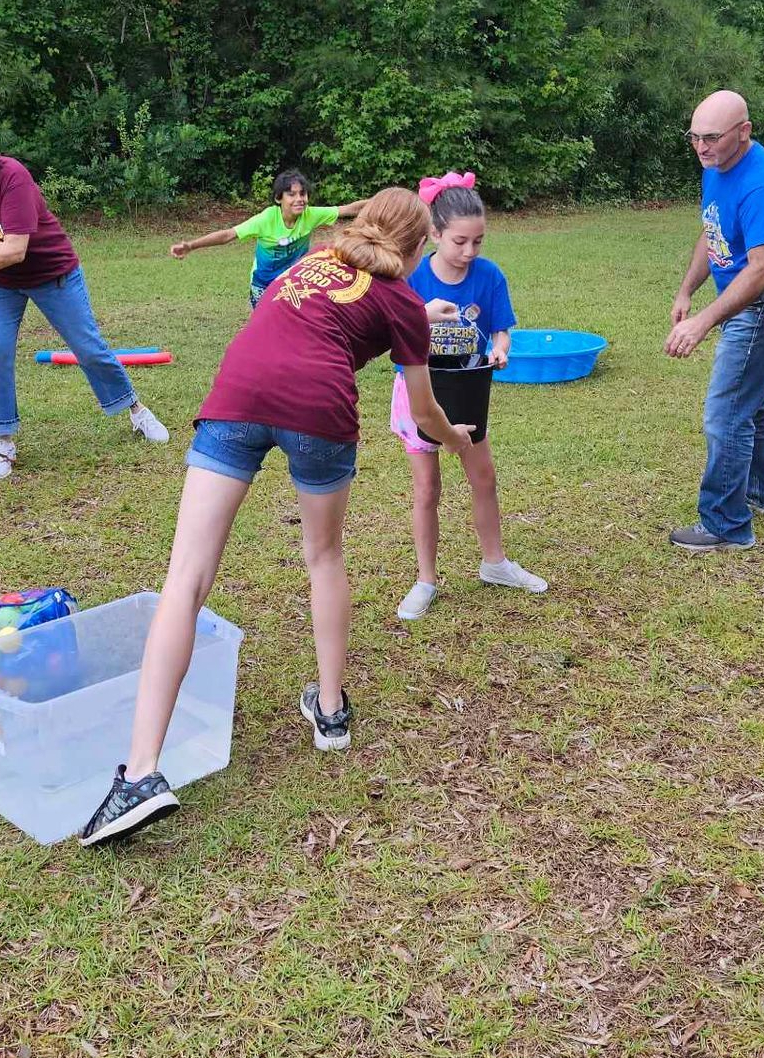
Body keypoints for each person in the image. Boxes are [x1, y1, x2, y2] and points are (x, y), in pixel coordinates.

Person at [79, 188, 474, 846]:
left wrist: (404, 321)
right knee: (323, 555)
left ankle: (140, 773)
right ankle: (329, 712)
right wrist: (456, 441)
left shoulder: (307, 260)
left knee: (186, 580)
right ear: (418, 245)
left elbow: (310, 320)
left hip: (238, 392)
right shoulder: (402, 299)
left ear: (360, 222)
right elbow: (424, 406)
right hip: (318, 409)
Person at [0, 118, 169, 480]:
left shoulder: (12, 176)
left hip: (51, 272)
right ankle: (3, 441)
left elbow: (16, 249)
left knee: (88, 347)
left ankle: (136, 410)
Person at [391, 170, 547, 621]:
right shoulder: (414, 274)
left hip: (468, 387)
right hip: (420, 391)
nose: (469, 251)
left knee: (484, 477)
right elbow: (393, 329)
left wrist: (500, 349)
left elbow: (500, 329)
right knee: (427, 488)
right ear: (433, 233)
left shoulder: (489, 275)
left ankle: (494, 563)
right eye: (459, 241)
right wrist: (424, 316)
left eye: (478, 241)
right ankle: (425, 581)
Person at [664, 90, 764, 552]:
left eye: (711, 137)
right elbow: (713, 233)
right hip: (748, 301)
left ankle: (726, 524)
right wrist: (687, 290)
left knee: (725, 412)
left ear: (743, 132)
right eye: (694, 138)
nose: (701, 147)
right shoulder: (716, 168)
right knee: (751, 402)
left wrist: (703, 320)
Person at [169, 168, 366, 308]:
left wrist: (391, 198)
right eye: (291, 194)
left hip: (294, 283)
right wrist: (191, 246)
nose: (299, 199)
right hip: (263, 285)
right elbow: (228, 235)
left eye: (303, 194)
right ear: (279, 198)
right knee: (268, 330)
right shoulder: (266, 219)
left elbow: (350, 209)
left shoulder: (311, 214)